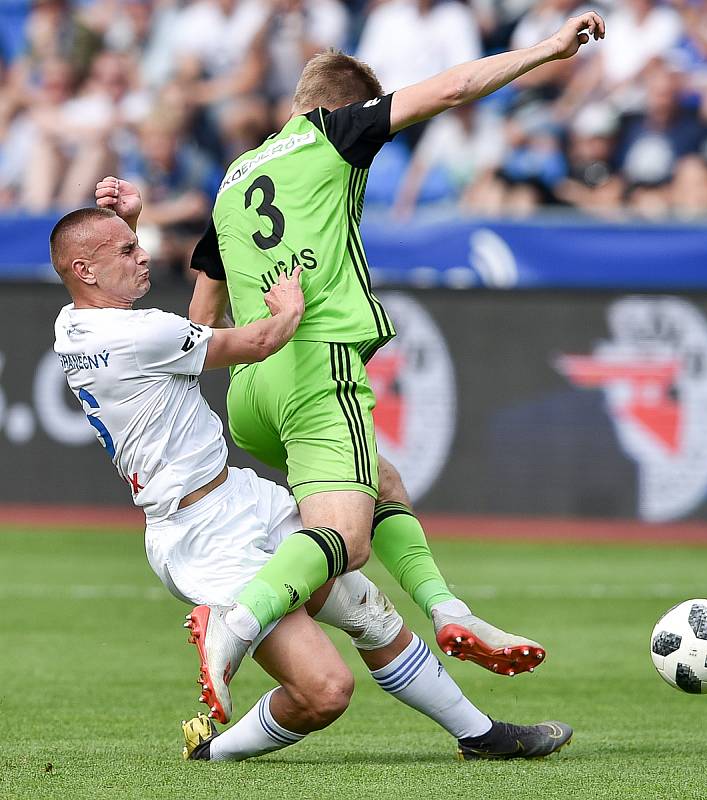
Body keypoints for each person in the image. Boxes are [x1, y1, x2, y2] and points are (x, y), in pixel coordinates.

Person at [181, 11, 606, 722]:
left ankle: (447, 609)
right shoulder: (332, 131)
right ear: (343, 109)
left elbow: (200, 318)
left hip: (250, 389)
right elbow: (453, 87)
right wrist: (549, 49)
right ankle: (237, 620)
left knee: (381, 482)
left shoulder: (234, 176)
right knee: (345, 539)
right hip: (317, 363)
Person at [50, 206, 572, 762]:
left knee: (369, 605)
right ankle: (221, 713)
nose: (144, 255)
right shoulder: (141, 333)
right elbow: (255, 342)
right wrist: (290, 309)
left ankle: (481, 735)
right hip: (201, 534)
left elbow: (178, 327)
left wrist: (122, 223)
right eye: (128, 250)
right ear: (84, 270)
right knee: (325, 692)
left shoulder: (72, 327)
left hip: (236, 495)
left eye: (138, 244)